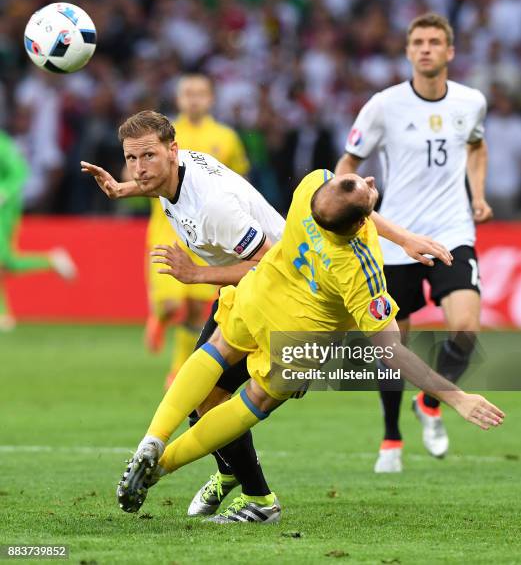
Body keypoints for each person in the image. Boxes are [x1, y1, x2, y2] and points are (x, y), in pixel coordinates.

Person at [82, 110, 453, 523]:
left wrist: (196, 274)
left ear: (173, 151)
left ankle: (255, 495)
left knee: (224, 395)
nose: (139, 168)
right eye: (131, 159)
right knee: (206, 400)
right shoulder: (178, 170)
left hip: (285, 300)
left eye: (146, 157)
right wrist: (124, 189)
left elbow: (263, 262)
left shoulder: (214, 209)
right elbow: (353, 199)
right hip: (262, 292)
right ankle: (225, 475)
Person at [335, 12, 493, 473]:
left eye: (434, 42)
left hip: (452, 230)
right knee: (391, 344)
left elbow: (477, 146)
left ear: (450, 52)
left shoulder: (471, 101)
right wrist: (353, 205)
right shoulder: (384, 105)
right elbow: (348, 161)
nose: (425, 49)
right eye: (418, 42)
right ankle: (390, 439)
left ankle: (430, 399)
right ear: (408, 51)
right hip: (394, 239)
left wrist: (478, 194)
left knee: (465, 329)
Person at [145, 73, 250, 389]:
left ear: (211, 99)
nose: (194, 99)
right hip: (168, 227)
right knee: (173, 304)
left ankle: (178, 368)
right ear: (178, 99)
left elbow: (237, 180)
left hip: (205, 231)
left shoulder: (227, 137)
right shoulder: (162, 134)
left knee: (194, 307)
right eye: (187, 93)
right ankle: (160, 316)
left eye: (200, 93)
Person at [0, 130, 76, 330]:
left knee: (5, 261)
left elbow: (19, 172)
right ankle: (3, 314)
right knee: (7, 263)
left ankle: (3, 314)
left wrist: (4, 191)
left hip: (4, 209)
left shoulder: (3, 144)